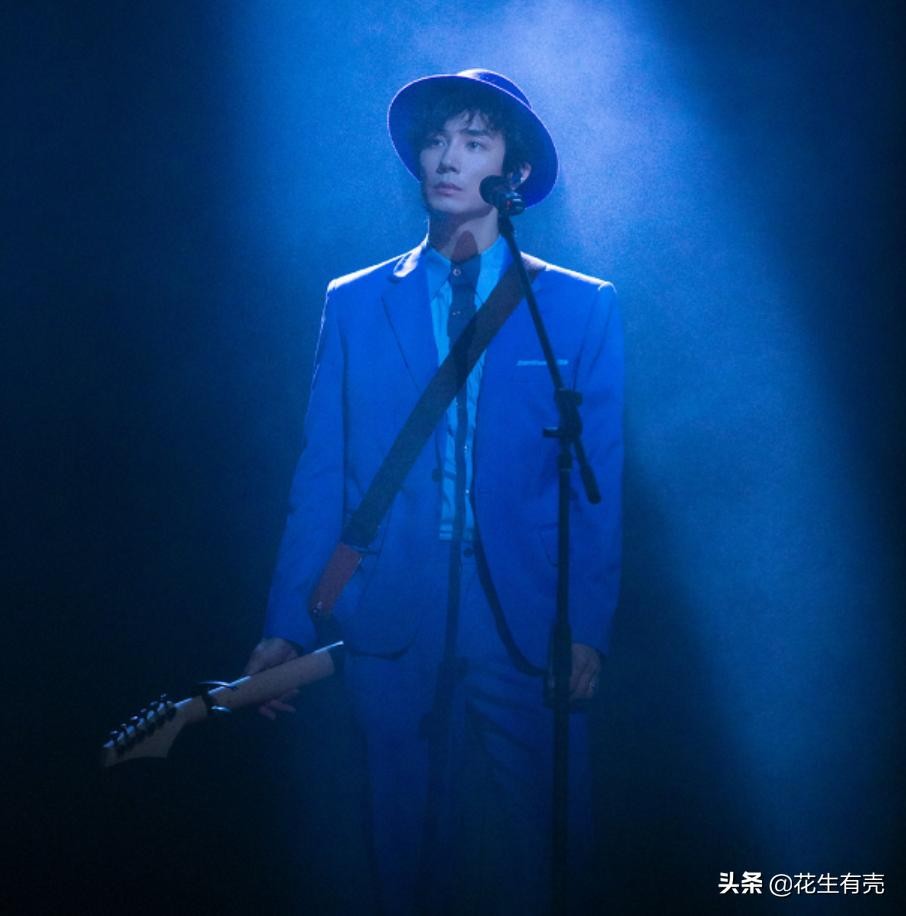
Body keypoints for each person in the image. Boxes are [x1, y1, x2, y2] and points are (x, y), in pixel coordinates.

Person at [244, 69, 623, 915]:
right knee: (404, 851)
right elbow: (322, 473)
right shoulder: (353, 302)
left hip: (527, 616)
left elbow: (595, 487)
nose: (447, 158)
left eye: (474, 141)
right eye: (435, 140)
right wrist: (286, 623)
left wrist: (589, 625)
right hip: (390, 611)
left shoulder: (579, 307)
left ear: (512, 172)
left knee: (558, 849)